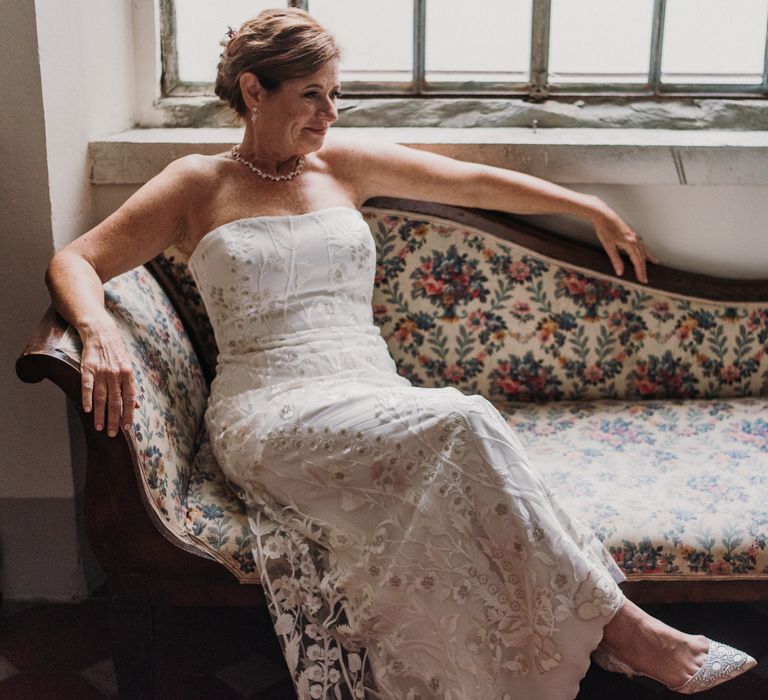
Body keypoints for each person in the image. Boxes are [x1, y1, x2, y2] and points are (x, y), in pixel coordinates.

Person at [46, 8, 756, 699]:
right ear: (255, 91)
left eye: (335, 95)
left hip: (370, 393)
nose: (329, 115)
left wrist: (586, 206)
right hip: (267, 410)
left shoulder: (340, 165)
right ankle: (627, 631)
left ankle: (592, 638)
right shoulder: (196, 184)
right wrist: (98, 328)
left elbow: (471, 181)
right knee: (465, 422)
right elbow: (77, 259)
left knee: (459, 436)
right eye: (312, 95)